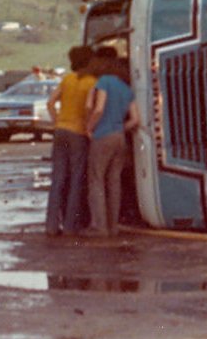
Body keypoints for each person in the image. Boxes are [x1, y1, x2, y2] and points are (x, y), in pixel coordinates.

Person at [84, 47, 139, 237]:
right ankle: (113, 226)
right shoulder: (126, 89)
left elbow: (98, 109)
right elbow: (135, 120)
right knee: (114, 181)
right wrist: (119, 128)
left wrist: (89, 128)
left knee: (96, 179)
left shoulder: (104, 82)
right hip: (119, 138)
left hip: (102, 136)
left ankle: (100, 227)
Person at [45, 46, 95, 237]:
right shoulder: (92, 82)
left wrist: (56, 120)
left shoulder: (67, 79)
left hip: (61, 131)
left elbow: (50, 102)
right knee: (75, 179)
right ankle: (70, 225)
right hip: (79, 132)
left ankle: (51, 225)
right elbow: (91, 107)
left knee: (57, 178)